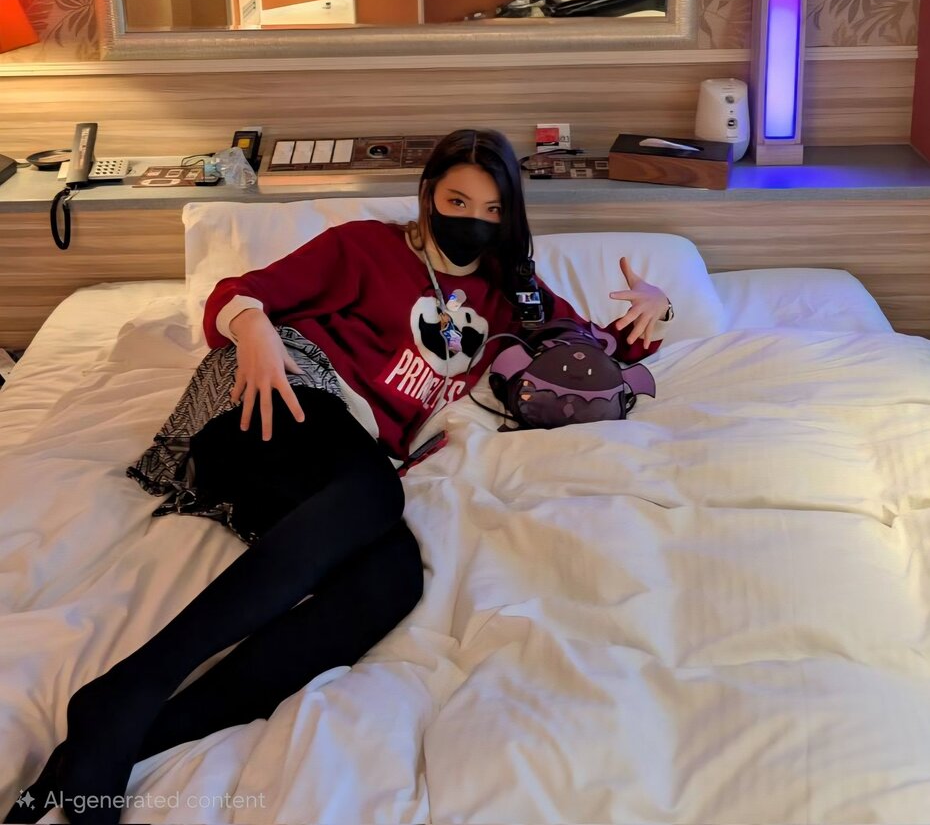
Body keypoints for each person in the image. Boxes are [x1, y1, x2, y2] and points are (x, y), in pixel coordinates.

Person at [7, 129, 672, 825]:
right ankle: (134, 685)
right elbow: (239, 295)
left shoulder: (511, 297)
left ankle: (116, 737)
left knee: (392, 580)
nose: (473, 220)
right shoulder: (365, 247)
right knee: (376, 493)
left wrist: (652, 309)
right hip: (274, 389)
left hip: (332, 454)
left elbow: (588, 354)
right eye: (457, 201)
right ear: (427, 196)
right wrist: (253, 331)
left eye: (492, 209)